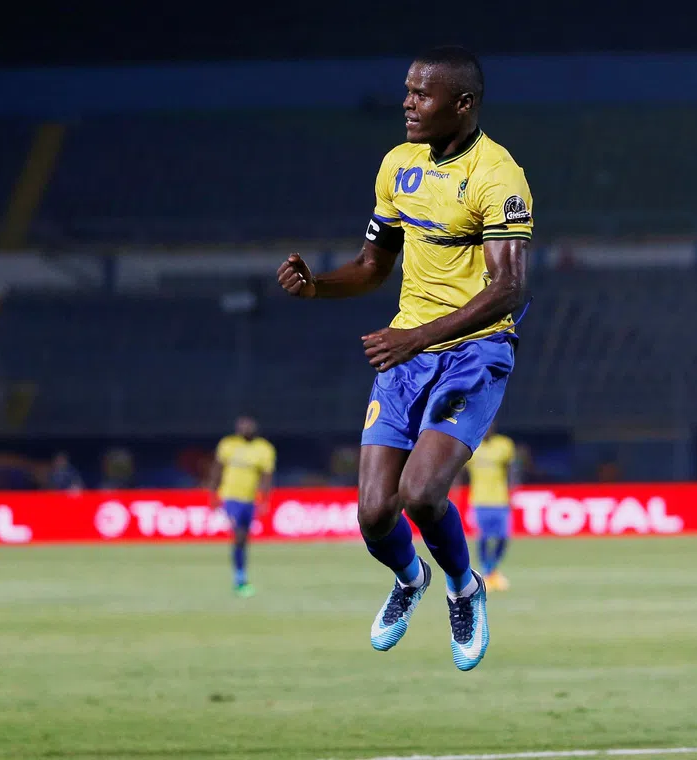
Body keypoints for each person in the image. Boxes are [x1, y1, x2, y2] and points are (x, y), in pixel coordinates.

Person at [277, 45, 532, 671]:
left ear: (463, 104)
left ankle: (463, 588)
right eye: (408, 90)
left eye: (422, 93)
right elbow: (372, 266)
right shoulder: (398, 166)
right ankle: (409, 578)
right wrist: (318, 286)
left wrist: (420, 337)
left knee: (421, 495)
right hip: (408, 350)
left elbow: (508, 289)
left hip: (475, 352)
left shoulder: (498, 176)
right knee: (372, 515)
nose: (408, 103)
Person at [208, 415, 275, 597]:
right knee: (238, 535)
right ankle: (240, 579)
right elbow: (217, 468)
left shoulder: (264, 449)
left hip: (250, 499)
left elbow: (266, 477)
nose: (245, 429)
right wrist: (212, 493)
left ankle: (240, 574)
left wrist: (265, 500)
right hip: (230, 497)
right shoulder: (228, 445)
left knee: (244, 538)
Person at [465, 422, 518, 590]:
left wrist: (512, 489)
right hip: (479, 500)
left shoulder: (504, 445)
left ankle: (491, 569)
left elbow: (511, 469)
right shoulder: (472, 445)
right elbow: (460, 469)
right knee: (483, 538)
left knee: (503, 537)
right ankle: (488, 572)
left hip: (500, 499)